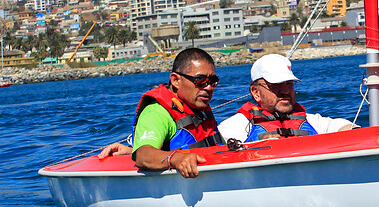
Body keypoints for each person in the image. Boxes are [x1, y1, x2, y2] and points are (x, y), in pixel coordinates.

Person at [99, 48, 224, 178]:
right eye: (200, 81)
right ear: (176, 80)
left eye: (213, 81)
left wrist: (130, 152)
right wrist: (176, 159)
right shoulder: (157, 112)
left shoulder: (197, 106)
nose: (208, 87)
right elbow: (143, 156)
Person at [218, 54, 354, 142]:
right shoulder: (234, 127)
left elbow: (338, 125)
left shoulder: (311, 120)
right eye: (275, 85)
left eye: (289, 84)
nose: (285, 91)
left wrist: (352, 129)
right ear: (256, 92)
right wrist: (254, 146)